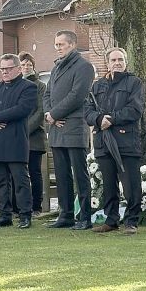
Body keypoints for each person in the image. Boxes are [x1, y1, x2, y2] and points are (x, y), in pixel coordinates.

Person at [85, 48, 146, 235]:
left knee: (131, 185)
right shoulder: (97, 86)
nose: (117, 62)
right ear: (108, 63)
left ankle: (131, 221)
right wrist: (98, 119)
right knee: (108, 185)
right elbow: (87, 110)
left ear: (126, 62)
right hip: (103, 142)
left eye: (120, 59)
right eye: (113, 60)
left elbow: (135, 110)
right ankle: (111, 220)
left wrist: (111, 119)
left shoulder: (134, 83)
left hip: (127, 142)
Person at [44, 31, 95, 229]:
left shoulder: (84, 67)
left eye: (61, 44)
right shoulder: (56, 68)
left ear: (72, 44)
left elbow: (77, 95)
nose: (58, 47)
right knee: (62, 174)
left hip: (73, 126)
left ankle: (84, 217)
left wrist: (55, 114)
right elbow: (47, 94)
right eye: (56, 44)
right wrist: (50, 114)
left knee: (79, 175)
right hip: (56, 129)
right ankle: (65, 215)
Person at [0, 54, 38, 229]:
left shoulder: (28, 87)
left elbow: (23, 109)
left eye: (8, 69)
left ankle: (25, 215)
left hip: (15, 140)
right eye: (2, 69)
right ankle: (4, 215)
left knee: (20, 180)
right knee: (1, 182)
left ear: (18, 69)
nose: (4, 72)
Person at [20, 52, 48, 216]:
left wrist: (25, 129)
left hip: (34, 137)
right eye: (23, 65)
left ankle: (36, 207)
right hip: (17, 137)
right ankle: (20, 206)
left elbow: (40, 111)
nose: (26, 67)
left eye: (29, 64)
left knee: (35, 172)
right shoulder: (15, 84)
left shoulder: (40, 86)